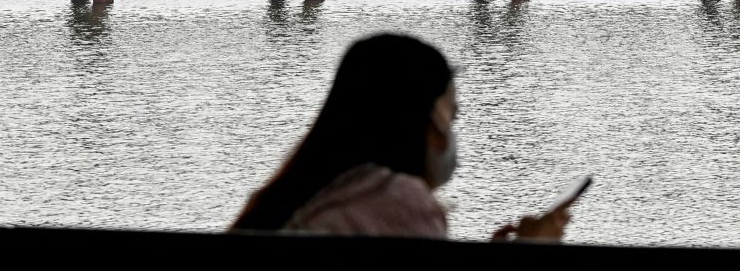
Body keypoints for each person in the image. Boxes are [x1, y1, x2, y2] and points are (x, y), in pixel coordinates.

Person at [232, 34, 575, 241]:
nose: (450, 134)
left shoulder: (295, 196)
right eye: (451, 116)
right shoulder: (397, 200)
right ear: (418, 120)